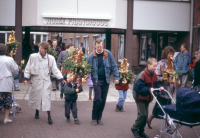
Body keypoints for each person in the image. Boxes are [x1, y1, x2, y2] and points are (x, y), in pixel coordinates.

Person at [24, 42, 66, 125]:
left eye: (41, 48)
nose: (39, 49)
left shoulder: (51, 58)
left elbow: (55, 69)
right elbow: (28, 68)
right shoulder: (33, 57)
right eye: (39, 47)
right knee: (37, 97)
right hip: (36, 80)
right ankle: (37, 111)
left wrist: (61, 78)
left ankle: (49, 117)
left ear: (46, 49)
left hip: (46, 80)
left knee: (46, 98)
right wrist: (26, 78)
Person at [87, 38, 119, 126]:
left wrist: (116, 77)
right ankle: (94, 118)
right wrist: (82, 76)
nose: (99, 48)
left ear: (103, 46)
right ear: (95, 46)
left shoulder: (108, 54)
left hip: (106, 80)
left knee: (103, 100)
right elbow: (85, 68)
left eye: (100, 46)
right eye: (97, 47)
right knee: (98, 99)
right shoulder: (91, 56)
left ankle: (99, 117)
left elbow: (114, 66)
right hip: (96, 80)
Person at [131, 58, 164, 138]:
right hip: (140, 98)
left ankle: (141, 131)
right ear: (148, 65)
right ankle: (134, 128)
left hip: (147, 98)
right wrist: (148, 89)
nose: (155, 68)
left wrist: (159, 87)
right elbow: (138, 87)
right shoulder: (143, 74)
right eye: (154, 66)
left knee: (145, 116)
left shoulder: (154, 75)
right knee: (142, 115)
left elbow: (156, 84)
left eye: (156, 66)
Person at [146, 46, 175, 129]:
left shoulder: (172, 62)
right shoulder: (160, 63)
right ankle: (168, 126)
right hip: (162, 88)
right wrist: (164, 78)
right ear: (166, 54)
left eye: (172, 54)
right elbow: (155, 76)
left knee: (162, 106)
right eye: (170, 54)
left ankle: (150, 118)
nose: (171, 56)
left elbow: (173, 74)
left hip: (169, 88)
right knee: (164, 106)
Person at [0, 43, 19, 124]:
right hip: (6, 83)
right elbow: (15, 71)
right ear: (5, 50)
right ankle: (6, 118)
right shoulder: (9, 59)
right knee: (6, 100)